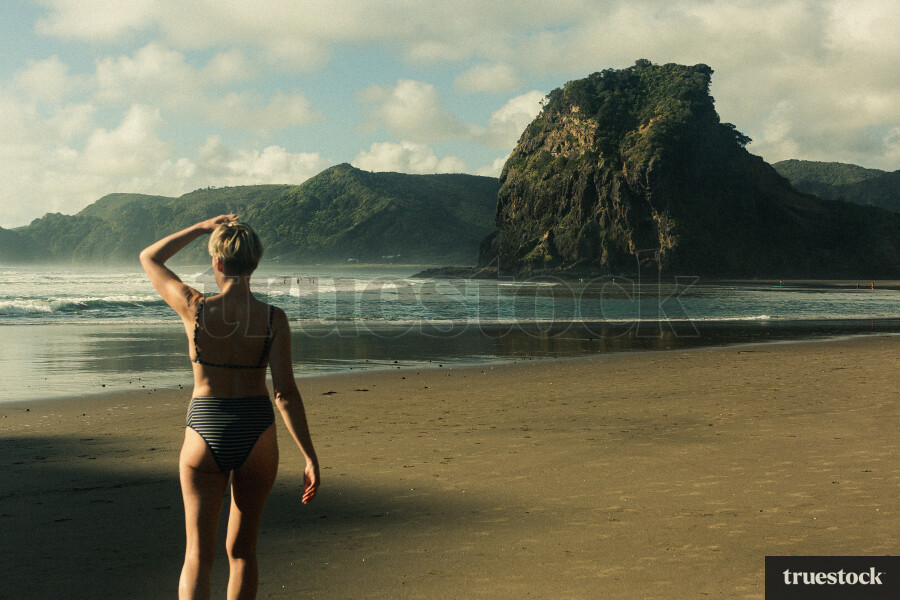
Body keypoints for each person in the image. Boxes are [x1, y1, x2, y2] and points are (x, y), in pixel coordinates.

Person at [140, 214, 320, 600]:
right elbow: (285, 393)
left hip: (206, 426)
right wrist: (309, 456)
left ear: (217, 263)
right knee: (242, 554)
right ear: (254, 264)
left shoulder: (196, 308)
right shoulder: (274, 319)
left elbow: (149, 258)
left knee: (197, 556)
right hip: (257, 431)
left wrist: (202, 228)